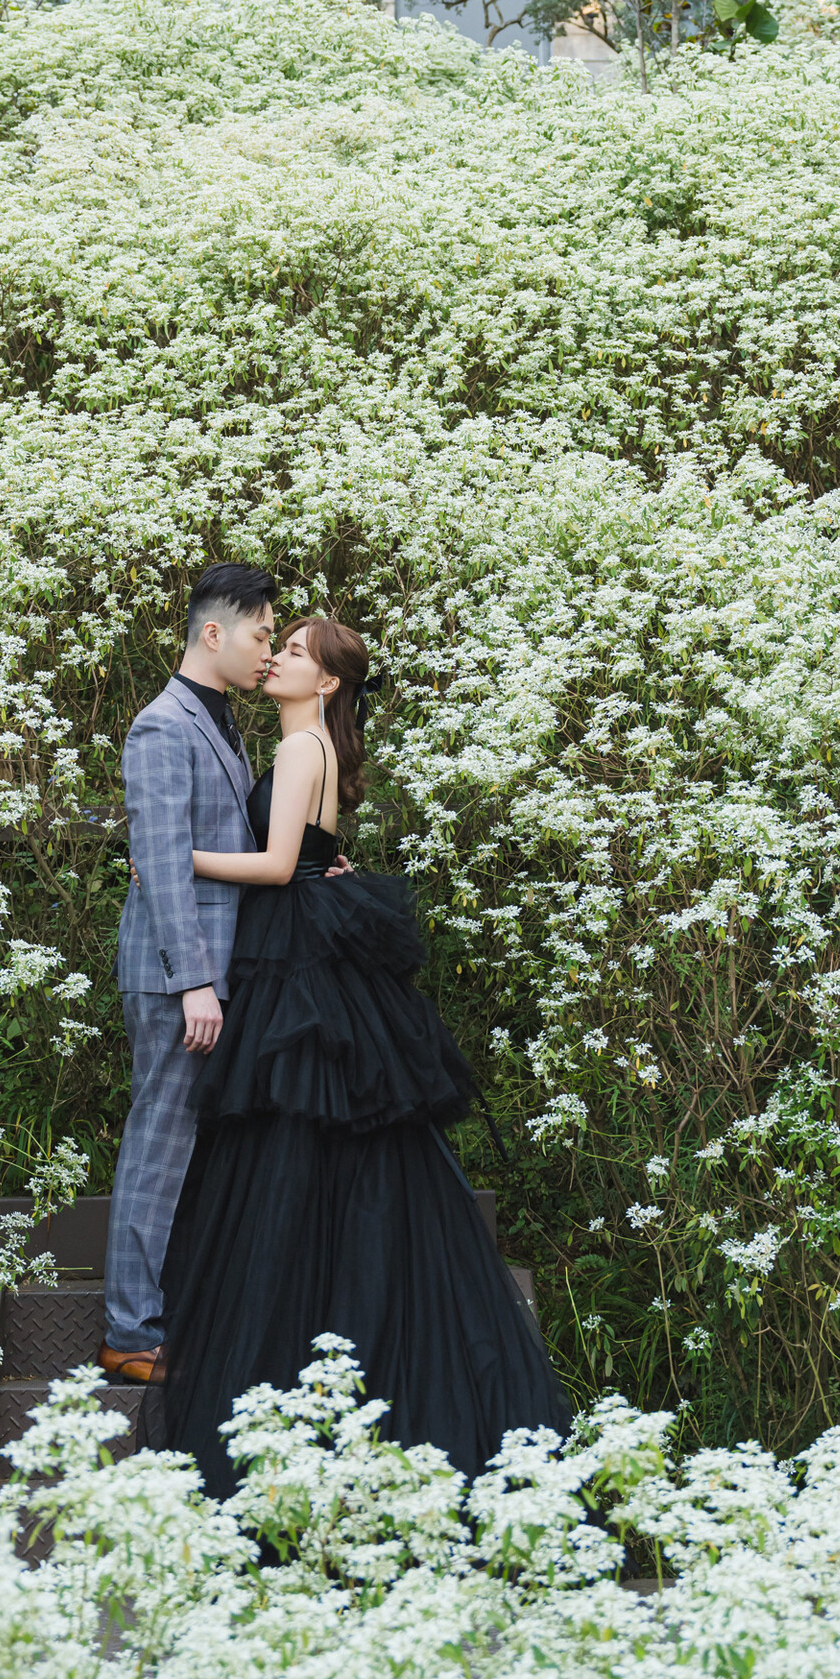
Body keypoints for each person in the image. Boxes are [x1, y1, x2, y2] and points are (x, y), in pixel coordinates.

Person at [156, 613, 572, 1495]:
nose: (277, 658)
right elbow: (313, 854)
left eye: (295, 653)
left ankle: (304, 1329)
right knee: (319, 1133)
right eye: (279, 647)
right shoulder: (310, 747)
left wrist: (172, 857)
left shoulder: (301, 748)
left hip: (294, 950)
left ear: (329, 682)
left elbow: (278, 866)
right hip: (304, 942)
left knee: (293, 1129)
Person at [98, 562, 278, 1383]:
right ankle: (129, 1334)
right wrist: (193, 981)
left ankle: (174, 1314)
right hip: (179, 976)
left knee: (190, 1146)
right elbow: (162, 863)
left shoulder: (220, 721)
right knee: (160, 1145)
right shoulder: (162, 727)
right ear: (213, 633)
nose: (267, 651)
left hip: (213, 970)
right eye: (260, 635)